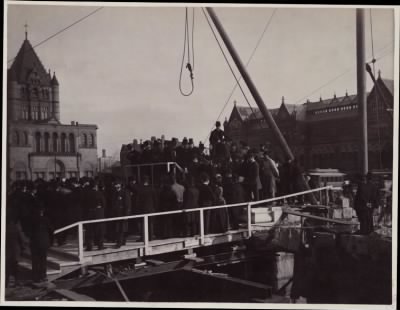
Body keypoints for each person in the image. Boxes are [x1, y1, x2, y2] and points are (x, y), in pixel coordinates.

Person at [29, 206, 53, 284]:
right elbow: (51, 231)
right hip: (43, 242)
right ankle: (43, 276)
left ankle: (35, 277)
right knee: (43, 260)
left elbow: (28, 231)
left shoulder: (32, 220)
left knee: (35, 260)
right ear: (42, 211)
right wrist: (50, 242)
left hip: (34, 242)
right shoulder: (46, 220)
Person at [84, 181, 106, 251]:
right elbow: (104, 203)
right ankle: (100, 246)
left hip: (89, 213)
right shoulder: (99, 193)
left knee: (89, 231)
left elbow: (83, 203)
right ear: (96, 186)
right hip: (98, 213)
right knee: (99, 230)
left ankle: (89, 246)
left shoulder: (87, 194)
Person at [112, 181, 132, 248]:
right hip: (117, 213)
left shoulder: (125, 192)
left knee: (121, 229)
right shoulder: (115, 193)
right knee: (119, 229)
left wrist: (126, 214)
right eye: (115, 185)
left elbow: (127, 204)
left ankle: (119, 243)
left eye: (117, 184)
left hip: (122, 213)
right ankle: (122, 241)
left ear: (120, 185)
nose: (116, 186)